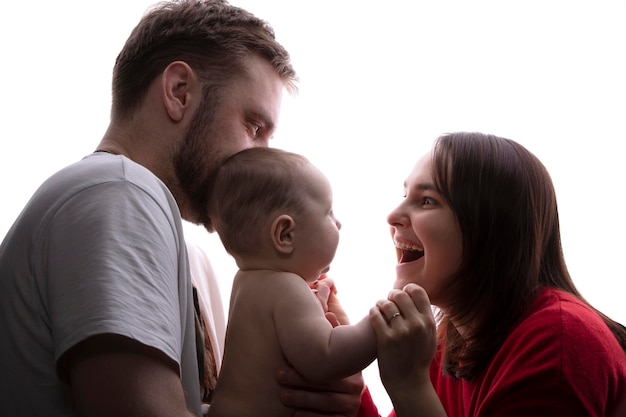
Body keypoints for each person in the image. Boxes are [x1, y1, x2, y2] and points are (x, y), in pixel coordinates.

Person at [0, 1, 366, 416]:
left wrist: (294, 388)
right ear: (179, 92)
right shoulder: (121, 195)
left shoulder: (162, 232)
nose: (263, 157)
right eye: (254, 127)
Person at [365, 132, 626, 417]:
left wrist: (409, 386)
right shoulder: (447, 344)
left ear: (493, 230)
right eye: (405, 195)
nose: (392, 215)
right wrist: (347, 383)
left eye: (427, 200)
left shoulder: (557, 341)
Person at [205, 147, 380, 416]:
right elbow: (325, 357)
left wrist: (316, 309)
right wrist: (378, 324)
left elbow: (286, 341)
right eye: (329, 213)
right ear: (285, 235)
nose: (339, 223)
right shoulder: (287, 287)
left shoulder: (245, 283)